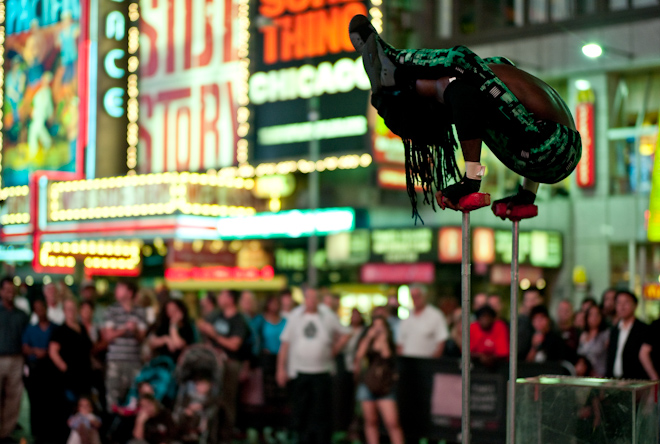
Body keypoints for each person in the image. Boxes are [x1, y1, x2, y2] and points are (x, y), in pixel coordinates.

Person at [348, 15, 581, 221]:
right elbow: (531, 124)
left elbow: (468, 98)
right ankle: (395, 70)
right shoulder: (490, 80)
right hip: (554, 151)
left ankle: (394, 65)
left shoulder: (461, 86)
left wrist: (471, 180)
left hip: (547, 147)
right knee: (471, 74)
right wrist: (528, 193)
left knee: (462, 64)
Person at [276, 286, 351, 444]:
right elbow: (285, 344)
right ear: (305, 299)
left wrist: (334, 350)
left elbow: (345, 333)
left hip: (322, 371)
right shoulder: (296, 315)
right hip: (300, 371)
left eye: (314, 297)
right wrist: (281, 369)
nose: (311, 301)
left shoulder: (327, 315)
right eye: (308, 297)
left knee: (321, 412)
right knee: (301, 411)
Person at [196, 289, 251, 442]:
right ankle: (210, 435)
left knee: (227, 402)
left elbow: (235, 345)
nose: (219, 298)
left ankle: (226, 437)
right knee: (210, 399)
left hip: (230, 365)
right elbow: (202, 325)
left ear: (231, 299)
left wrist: (215, 336)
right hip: (213, 364)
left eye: (222, 295)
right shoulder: (216, 315)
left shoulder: (239, 320)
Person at [354, 316, 404, 444]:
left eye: (380, 325)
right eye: (375, 325)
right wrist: (369, 337)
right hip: (368, 384)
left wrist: (383, 338)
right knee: (370, 422)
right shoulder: (367, 340)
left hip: (385, 386)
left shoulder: (388, 341)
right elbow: (359, 355)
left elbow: (386, 355)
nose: (377, 329)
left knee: (392, 423)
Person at [102, 280, 148, 411]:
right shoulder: (112, 310)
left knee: (133, 399)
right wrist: (125, 328)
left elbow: (142, 337)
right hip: (115, 362)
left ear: (129, 292)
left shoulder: (140, 311)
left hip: (134, 362)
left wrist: (135, 331)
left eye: (120, 288)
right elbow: (108, 336)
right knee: (113, 400)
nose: (116, 291)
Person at [22, 299, 56, 443]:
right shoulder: (31, 328)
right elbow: (24, 347)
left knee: (50, 401)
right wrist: (36, 351)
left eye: (42, 308)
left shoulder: (55, 328)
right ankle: (36, 433)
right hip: (35, 369)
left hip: (50, 370)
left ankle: (50, 431)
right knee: (35, 402)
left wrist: (48, 352)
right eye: (37, 308)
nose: (40, 311)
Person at [0, 276, 30, 441]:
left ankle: (6, 433)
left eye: (12, 290)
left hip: (16, 359)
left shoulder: (22, 315)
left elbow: (26, 339)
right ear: (1, 291)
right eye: (7, 290)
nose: (10, 293)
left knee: (13, 398)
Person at [49, 299, 94, 407]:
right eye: (68, 309)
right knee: (71, 406)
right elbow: (53, 352)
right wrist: (64, 367)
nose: (71, 311)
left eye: (73, 309)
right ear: (64, 311)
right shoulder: (60, 330)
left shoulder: (82, 328)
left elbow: (88, 348)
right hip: (70, 377)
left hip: (84, 375)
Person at [605, 290, 649, 379]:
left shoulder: (644, 329)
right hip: (614, 381)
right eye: (618, 303)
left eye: (626, 302)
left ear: (635, 305)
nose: (622, 306)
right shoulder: (614, 330)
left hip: (636, 381)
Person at [398, 284, 449, 358]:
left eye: (418, 296)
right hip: (408, 363)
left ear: (424, 296)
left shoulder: (436, 315)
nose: (415, 299)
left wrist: (433, 362)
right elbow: (400, 342)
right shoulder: (406, 316)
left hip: (427, 363)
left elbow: (441, 341)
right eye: (413, 296)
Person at [149, 299, 195, 363]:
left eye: (174, 310)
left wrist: (173, 324)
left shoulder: (187, 327)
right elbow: (152, 343)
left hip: (181, 364)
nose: (172, 313)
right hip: (164, 363)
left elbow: (177, 344)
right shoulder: (163, 326)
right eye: (169, 310)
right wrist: (165, 339)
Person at [577, 305, 610, 377]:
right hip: (584, 375)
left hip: (600, 375)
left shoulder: (606, 335)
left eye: (597, 314)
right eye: (591, 315)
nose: (594, 317)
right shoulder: (583, 335)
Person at [517, 289, 543, 359]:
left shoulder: (549, 323)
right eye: (528, 300)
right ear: (524, 302)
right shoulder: (518, 324)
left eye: (534, 299)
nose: (532, 303)